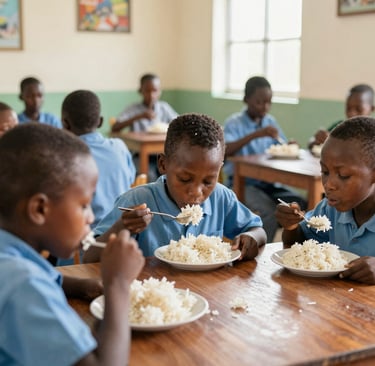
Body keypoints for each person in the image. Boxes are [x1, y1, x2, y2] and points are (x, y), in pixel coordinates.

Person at [0, 123, 145, 365]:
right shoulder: (25, 285)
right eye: (84, 205)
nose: (90, 217)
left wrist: (80, 286)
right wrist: (117, 284)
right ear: (39, 209)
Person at [83, 113, 266, 263]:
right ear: (163, 164)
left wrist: (251, 239)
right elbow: (89, 257)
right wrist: (123, 226)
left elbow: (258, 231)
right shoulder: (137, 200)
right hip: (154, 295)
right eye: (185, 179)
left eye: (208, 181)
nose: (196, 191)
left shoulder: (221, 197)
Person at [276, 116, 375, 285]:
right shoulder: (330, 209)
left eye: (343, 176)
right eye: (325, 172)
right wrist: (291, 226)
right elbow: (297, 246)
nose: (328, 185)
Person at [223, 76, 306, 242]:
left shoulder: (269, 121)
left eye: (269, 102)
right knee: (268, 211)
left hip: (269, 183)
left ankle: (298, 248)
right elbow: (225, 150)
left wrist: (289, 145)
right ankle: (259, 251)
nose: (265, 107)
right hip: (243, 183)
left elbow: (280, 143)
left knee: (301, 204)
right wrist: (255, 135)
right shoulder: (234, 123)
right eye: (259, 102)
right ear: (246, 100)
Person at [62, 89, 136, 228]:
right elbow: (131, 181)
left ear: (65, 123)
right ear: (100, 121)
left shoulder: (66, 156)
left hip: (88, 236)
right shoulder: (119, 147)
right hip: (124, 228)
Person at [111, 73, 178, 181]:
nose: (151, 95)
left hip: (162, 155)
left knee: (171, 174)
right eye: (147, 91)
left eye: (155, 91)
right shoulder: (133, 108)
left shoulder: (163, 108)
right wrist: (139, 116)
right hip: (140, 156)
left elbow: (178, 123)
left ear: (159, 91)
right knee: (150, 176)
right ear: (140, 91)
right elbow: (115, 128)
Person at [308, 84, 374, 150]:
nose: (352, 114)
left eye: (358, 109)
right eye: (348, 108)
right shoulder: (340, 126)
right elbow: (311, 143)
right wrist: (316, 140)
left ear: (372, 109)